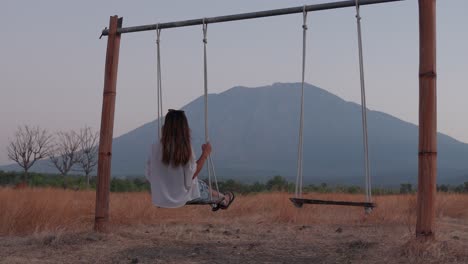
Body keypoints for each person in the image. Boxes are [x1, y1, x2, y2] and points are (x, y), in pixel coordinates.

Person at [145, 109, 234, 210]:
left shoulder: (154, 147)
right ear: (184, 127)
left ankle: (222, 198)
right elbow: (192, 174)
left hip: (161, 198)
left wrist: (163, 187)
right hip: (183, 197)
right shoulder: (184, 148)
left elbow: (149, 174)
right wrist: (205, 154)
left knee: (200, 184)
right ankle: (224, 199)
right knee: (201, 186)